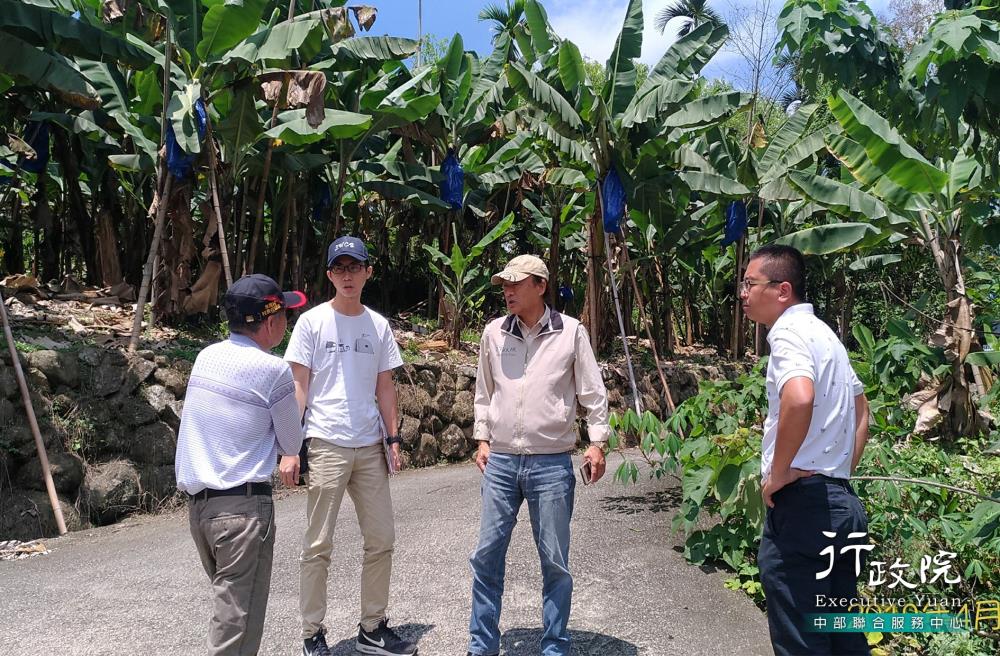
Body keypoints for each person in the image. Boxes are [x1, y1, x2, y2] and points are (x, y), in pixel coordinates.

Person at [467, 254, 610, 656]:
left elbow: (592, 393)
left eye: (516, 283)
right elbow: (484, 393)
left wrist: (597, 442)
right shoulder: (494, 333)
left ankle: (554, 646)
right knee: (486, 557)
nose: (507, 291)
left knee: (555, 561)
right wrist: (482, 438)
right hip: (502, 463)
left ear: (541, 286)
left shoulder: (571, 333)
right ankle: (481, 646)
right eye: (504, 285)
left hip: (551, 463)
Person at [282, 236, 417, 656]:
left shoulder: (377, 325)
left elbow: (385, 388)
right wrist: (291, 446)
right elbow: (298, 387)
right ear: (328, 275)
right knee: (318, 543)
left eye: (354, 267)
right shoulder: (311, 323)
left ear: (367, 272)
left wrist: (392, 438)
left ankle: (372, 628)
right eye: (339, 268)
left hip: (370, 445)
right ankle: (311, 634)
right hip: (325, 442)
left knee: (382, 538)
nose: (347, 275)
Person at [739, 244, 871, 656]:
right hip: (840, 506)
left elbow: (798, 397)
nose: (742, 292)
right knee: (843, 635)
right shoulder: (824, 334)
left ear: (782, 290)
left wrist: (779, 474)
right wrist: (840, 470)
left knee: (802, 641)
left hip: (803, 512)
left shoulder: (788, 333)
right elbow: (862, 408)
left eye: (749, 283)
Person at [175, 273, 307, 656]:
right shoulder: (273, 370)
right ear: (270, 322)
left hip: (201, 512)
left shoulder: (205, 357)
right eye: (285, 313)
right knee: (236, 625)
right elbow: (291, 441)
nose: (288, 321)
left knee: (229, 614)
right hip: (243, 513)